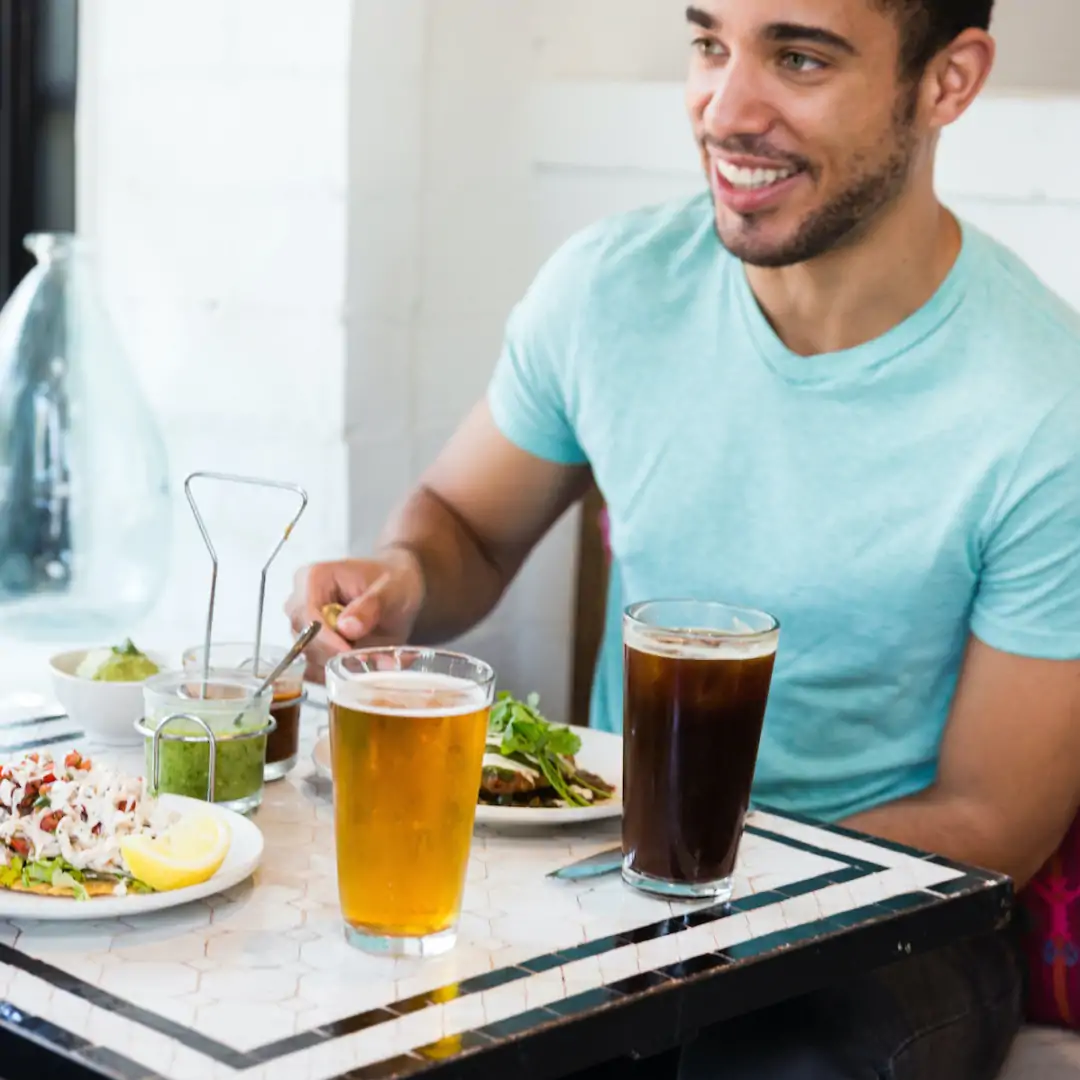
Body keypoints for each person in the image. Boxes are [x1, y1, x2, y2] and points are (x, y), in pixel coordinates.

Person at [286, 0, 1080, 1074]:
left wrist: (709, 878)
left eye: (799, 58)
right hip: (613, 882)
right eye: (711, 45)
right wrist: (401, 577)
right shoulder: (609, 289)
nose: (726, 107)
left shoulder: (1047, 405)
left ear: (949, 81)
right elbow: (464, 525)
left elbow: (993, 819)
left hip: (889, 926)